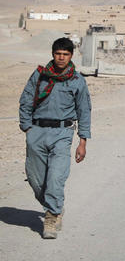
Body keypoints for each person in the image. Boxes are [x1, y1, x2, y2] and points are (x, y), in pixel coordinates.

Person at [18, 37, 92, 239]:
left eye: (65, 54)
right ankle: (55, 205)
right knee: (35, 179)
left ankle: (51, 216)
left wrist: (82, 141)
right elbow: (25, 101)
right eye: (58, 54)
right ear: (53, 54)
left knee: (56, 178)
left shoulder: (77, 81)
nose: (61, 58)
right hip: (37, 132)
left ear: (71, 56)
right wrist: (27, 128)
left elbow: (84, 111)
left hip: (62, 133)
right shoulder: (40, 75)